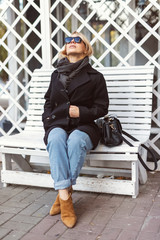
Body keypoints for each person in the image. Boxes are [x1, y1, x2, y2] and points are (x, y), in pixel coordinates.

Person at [42, 31, 109, 228]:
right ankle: (66, 195)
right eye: (68, 40)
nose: (71, 42)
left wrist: (81, 112)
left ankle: (62, 195)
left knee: (76, 141)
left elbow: (102, 107)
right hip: (58, 123)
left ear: (85, 47)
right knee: (54, 139)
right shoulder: (56, 74)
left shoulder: (96, 77)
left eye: (76, 40)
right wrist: (48, 121)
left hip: (84, 126)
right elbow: (48, 102)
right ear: (65, 47)